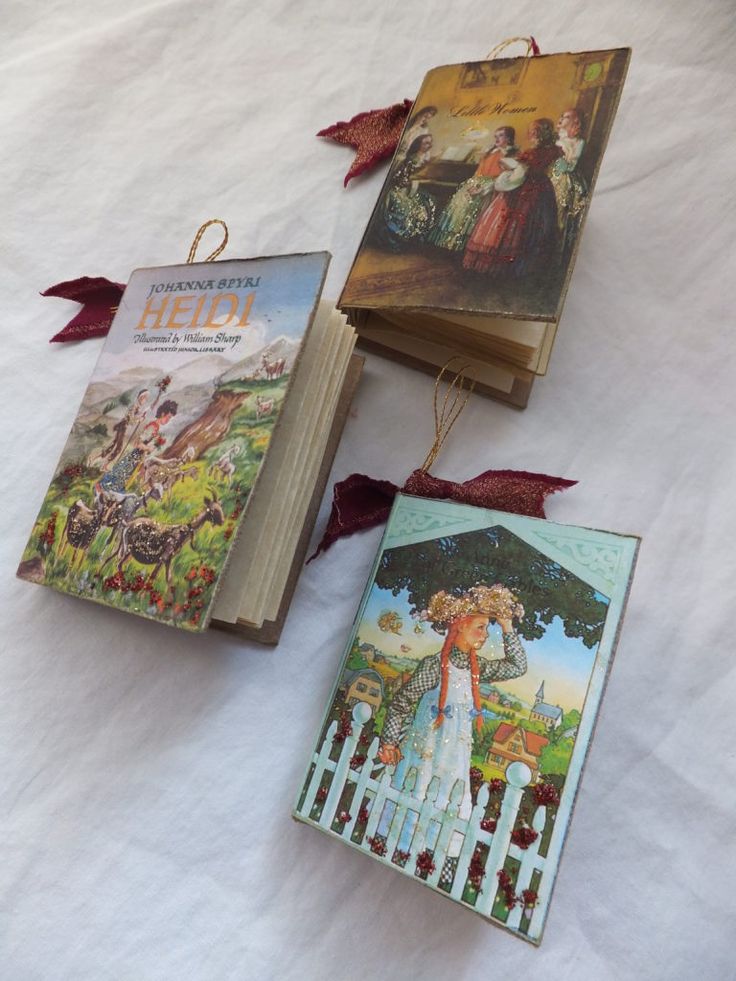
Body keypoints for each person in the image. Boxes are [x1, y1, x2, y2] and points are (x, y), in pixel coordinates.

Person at [377, 584, 527, 825]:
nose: (485, 634)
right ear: (461, 626)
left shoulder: (478, 670)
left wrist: (507, 626)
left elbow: (518, 666)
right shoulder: (434, 666)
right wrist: (389, 742)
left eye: (487, 628)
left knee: (448, 806)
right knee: (410, 804)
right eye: (480, 627)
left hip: (454, 763)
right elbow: (402, 703)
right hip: (423, 755)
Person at [463, 118, 563, 277]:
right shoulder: (556, 151)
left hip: (525, 192)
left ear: (539, 134)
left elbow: (516, 178)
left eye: (534, 133)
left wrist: (494, 185)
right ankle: (533, 268)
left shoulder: (530, 154)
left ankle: (513, 268)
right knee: (539, 225)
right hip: (544, 191)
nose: (531, 136)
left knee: (516, 228)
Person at [429, 126, 518, 252]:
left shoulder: (512, 154)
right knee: (461, 205)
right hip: (477, 182)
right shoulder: (490, 152)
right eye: (495, 136)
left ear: (509, 138)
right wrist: (473, 183)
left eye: (501, 136)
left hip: (493, 186)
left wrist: (483, 188)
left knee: (478, 210)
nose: (497, 138)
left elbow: (505, 177)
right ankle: (452, 244)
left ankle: (468, 246)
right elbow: (479, 171)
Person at [95, 399, 178, 502]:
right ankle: (104, 491)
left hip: (138, 458)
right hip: (134, 456)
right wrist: (149, 448)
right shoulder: (153, 426)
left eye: (170, 418)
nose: (168, 420)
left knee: (123, 476)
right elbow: (138, 443)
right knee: (121, 474)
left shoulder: (156, 428)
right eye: (168, 417)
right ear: (162, 413)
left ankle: (109, 495)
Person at [380, 134, 437, 249]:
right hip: (401, 190)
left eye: (430, 142)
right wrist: (420, 180)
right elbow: (401, 179)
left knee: (430, 201)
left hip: (412, 188)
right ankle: (407, 239)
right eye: (426, 143)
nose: (429, 145)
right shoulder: (412, 158)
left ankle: (417, 239)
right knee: (419, 206)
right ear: (418, 145)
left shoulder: (424, 158)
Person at [550, 108, 588, 257]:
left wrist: (563, 148)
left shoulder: (579, 142)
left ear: (574, 121)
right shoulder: (556, 138)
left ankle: (556, 249)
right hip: (550, 176)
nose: (561, 118)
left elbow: (571, 165)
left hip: (565, 178)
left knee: (560, 211)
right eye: (561, 115)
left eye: (565, 117)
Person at [91, 389, 149, 468]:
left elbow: (133, 419)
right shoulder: (134, 406)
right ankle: (100, 463)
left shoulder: (137, 407)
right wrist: (139, 419)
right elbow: (130, 420)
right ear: (141, 397)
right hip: (123, 427)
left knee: (115, 446)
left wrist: (141, 417)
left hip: (124, 428)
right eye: (145, 397)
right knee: (117, 447)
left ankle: (104, 464)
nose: (145, 399)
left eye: (146, 398)